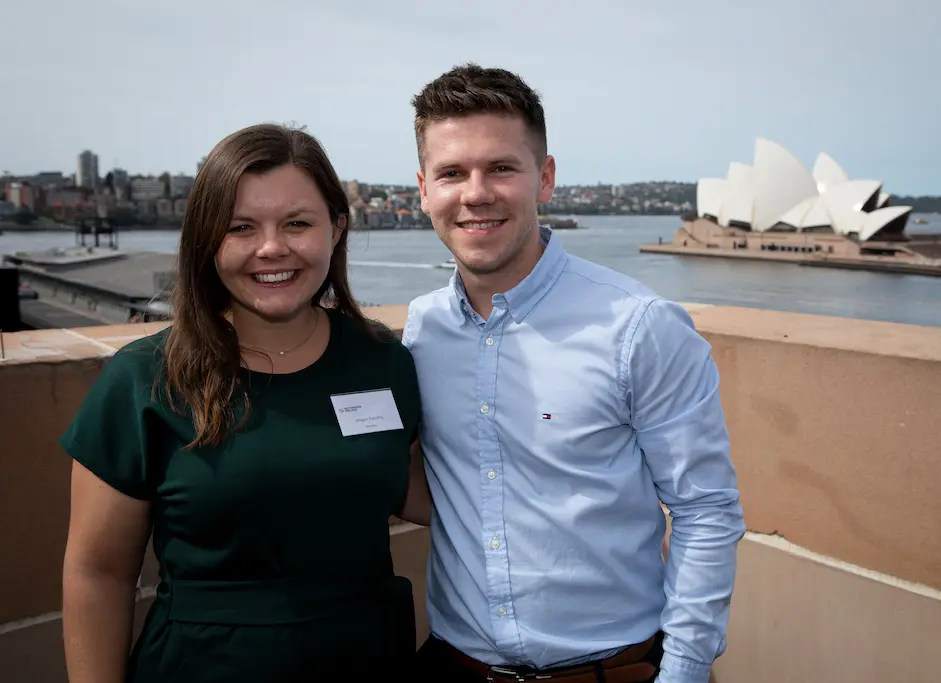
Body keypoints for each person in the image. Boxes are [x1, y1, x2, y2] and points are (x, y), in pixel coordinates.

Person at [401, 64, 746, 683]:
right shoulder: (422, 330)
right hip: (454, 665)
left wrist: (686, 671)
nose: (475, 193)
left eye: (501, 167)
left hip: (615, 671)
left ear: (546, 178)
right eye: (452, 173)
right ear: (424, 190)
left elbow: (706, 509)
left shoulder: (639, 327)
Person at [60, 123, 429, 683]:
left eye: (297, 223)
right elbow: (98, 574)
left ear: (338, 227)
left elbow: (419, 491)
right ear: (208, 241)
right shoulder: (145, 381)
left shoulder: (384, 361)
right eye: (241, 227)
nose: (272, 247)